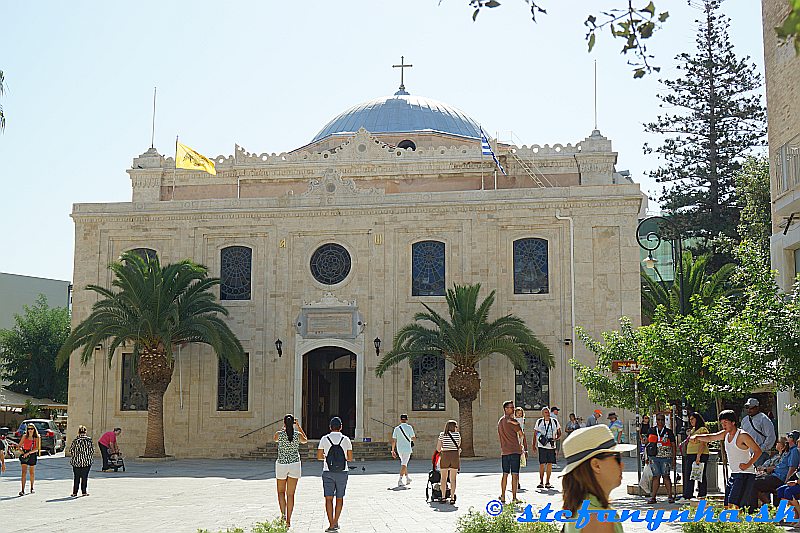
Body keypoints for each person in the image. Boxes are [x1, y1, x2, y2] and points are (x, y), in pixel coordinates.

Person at [562, 425, 636, 533]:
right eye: (617, 458)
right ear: (596, 465)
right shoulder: (597, 518)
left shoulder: (586, 507)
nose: (622, 465)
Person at [690, 409, 762, 509]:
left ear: (733, 422)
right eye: (722, 423)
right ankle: (731, 523)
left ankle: (737, 523)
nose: (723, 425)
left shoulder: (742, 436)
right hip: (734, 474)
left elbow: (758, 451)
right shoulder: (725, 434)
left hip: (745, 474)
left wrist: (748, 464)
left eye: (726, 423)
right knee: (727, 505)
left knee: (735, 505)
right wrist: (697, 437)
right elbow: (711, 437)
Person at [317, 416, 353, 533]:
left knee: (328, 498)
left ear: (330, 427)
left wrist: (327, 457)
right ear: (341, 427)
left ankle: (331, 523)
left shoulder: (324, 439)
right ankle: (336, 522)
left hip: (328, 471)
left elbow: (318, 456)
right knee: (339, 498)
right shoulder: (346, 439)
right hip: (342, 472)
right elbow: (350, 458)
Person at [274, 414, 308, 528]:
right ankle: (288, 520)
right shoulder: (297, 435)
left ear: (284, 423)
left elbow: (275, 439)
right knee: (291, 494)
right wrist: (298, 426)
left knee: (280, 492)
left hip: (282, 464)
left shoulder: (279, 435)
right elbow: (305, 440)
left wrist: (284, 428)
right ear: (293, 423)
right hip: (294, 465)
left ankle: (283, 515)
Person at [754, 434, 797, 506]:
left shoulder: (794, 451)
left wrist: (786, 482)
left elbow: (792, 468)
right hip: (775, 475)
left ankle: (767, 505)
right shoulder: (787, 452)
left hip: (779, 478)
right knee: (751, 480)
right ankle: (769, 506)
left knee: (754, 482)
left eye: (789, 437)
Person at [498, 400, 527, 504]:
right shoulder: (513, 421)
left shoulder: (500, 421)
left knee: (505, 474)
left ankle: (503, 495)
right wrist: (522, 446)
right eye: (511, 407)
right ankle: (514, 497)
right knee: (515, 474)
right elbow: (521, 434)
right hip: (514, 450)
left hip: (504, 451)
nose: (513, 409)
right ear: (506, 409)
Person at [646, 414, 676, 504]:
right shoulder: (651, 430)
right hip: (654, 457)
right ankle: (653, 497)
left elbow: (673, 444)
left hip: (666, 457)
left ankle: (670, 496)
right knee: (656, 476)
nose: (660, 421)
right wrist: (646, 457)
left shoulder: (669, 432)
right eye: (658, 419)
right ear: (656, 420)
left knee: (666, 476)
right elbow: (647, 444)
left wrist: (674, 458)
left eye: (662, 419)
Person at [682, 412, 710, 500]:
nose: (691, 421)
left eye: (692, 419)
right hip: (690, 455)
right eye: (690, 419)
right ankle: (688, 494)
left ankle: (702, 494)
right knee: (690, 475)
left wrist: (698, 456)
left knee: (700, 474)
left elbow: (703, 443)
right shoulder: (693, 430)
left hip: (700, 454)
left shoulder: (702, 429)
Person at [741, 398, 777, 467]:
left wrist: (761, 448)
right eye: (747, 407)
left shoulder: (764, 419)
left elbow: (771, 437)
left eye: (751, 408)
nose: (749, 410)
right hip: (747, 453)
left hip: (761, 454)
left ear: (757, 408)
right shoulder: (745, 420)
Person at [534, 406, 561, 489]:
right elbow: (535, 433)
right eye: (546, 412)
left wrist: (556, 438)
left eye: (548, 412)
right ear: (542, 414)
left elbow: (559, 432)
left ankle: (548, 482)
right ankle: (541, 482)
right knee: (542, 464)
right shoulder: (539, 422)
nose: (548, 414)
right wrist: (533, 445)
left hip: (551, 446)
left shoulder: (554, 422)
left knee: (549, 464)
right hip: (542, 446)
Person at [436, 420, 461, 505]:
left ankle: (443, 497)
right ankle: (452, 497)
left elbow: (438, 449)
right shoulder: (457, 435)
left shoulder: (442, 435)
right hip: (454, 456)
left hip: (445, 456)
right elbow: (458, 446)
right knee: (453, 479)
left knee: (443, 478)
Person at [69, 425, 94, 497]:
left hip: (76, 462)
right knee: (84, 477)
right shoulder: (89, 440)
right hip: (86, 462)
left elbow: (71, 450)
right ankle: (84, 492)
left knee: (76, 477)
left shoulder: (75, 441)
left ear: (78, 432)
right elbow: (92, 451)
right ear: (85, 432)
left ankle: (74, 492)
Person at [391, 413, 416, 487]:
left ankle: (407, 478)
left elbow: (394, 440)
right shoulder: (409, 427)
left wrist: (392, 450)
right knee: (404, 464)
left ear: (400, 420)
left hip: (399, 449)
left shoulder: (396, 428)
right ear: (407, 419)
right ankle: (400, 480)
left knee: (404, 463)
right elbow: (413, 438)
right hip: (407, 449)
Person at [18, 424, 41, 496]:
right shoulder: (25, 436)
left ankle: (31, 487)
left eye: (31, 429)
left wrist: (28, 453)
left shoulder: (37, 437)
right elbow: (19, 446)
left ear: (34, 430)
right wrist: (22, 452)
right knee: (23, 472)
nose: (30, 430)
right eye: (29, 429)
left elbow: (37, 448)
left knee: (31, 472)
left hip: (32, 454)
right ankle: (22, 490)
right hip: (25, 453)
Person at [514, 407, 527, 490]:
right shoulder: (514, 421)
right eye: (518, 413)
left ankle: (516, 481)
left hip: (519, 444)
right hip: (514, 443)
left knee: (518, 464)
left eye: (520, 413)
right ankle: (516, 481)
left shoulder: (522, 421)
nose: (519, 415)